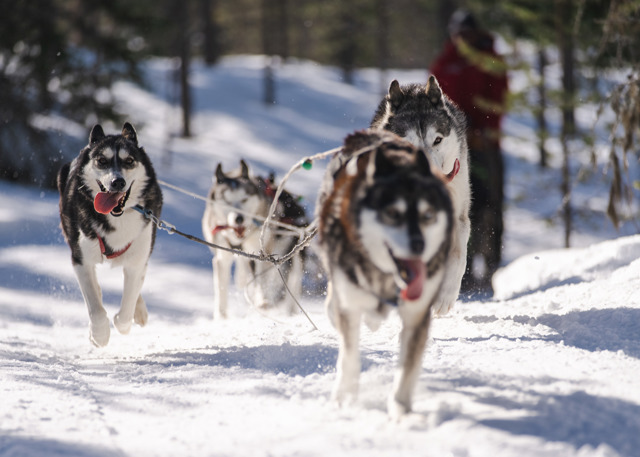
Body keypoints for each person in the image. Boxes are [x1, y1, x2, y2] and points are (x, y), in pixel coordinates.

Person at [429, 9, 508, 296]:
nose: (463, 39)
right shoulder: (444, 62)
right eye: (458, 33)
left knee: (491, 205)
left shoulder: (491, 60)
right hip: (455, 147)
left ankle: (492, 267)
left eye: (467, 33)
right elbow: (435, 103)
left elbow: (498, 99)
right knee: (459, 206)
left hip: (485, 146)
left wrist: (483, 130)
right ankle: (459, 270)